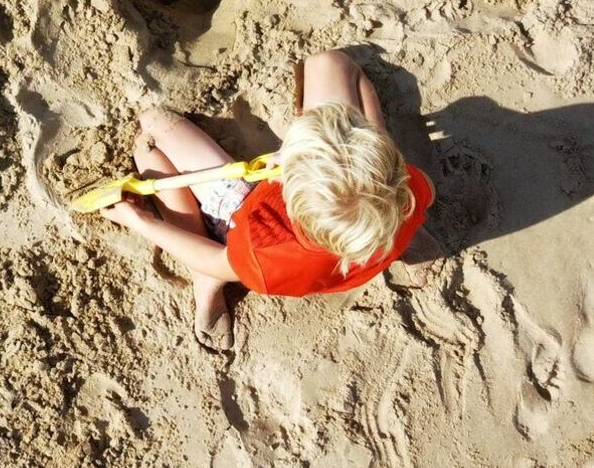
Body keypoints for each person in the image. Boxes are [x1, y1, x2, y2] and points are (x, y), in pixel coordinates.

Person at [98, 50, 444, 350]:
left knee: (152, 132)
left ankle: (205, 284)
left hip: (241, 220)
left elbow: (218, 259)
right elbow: (389, 174)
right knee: (328, 64)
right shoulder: (407, 192)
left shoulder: (264, 253)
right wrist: (372, 139)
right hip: (373, 237)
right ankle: (406, 241)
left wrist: (140, 221)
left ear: (287, 188)